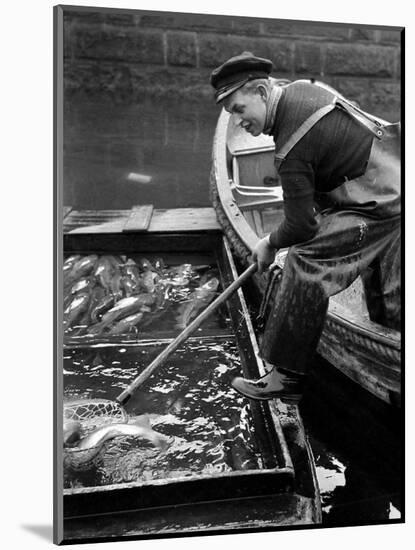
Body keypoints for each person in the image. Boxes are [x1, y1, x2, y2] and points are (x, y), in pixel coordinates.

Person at [210, 52, 401, 402]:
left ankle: (286, 376)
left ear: (264, 92)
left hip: (378, 204)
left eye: (239, 109)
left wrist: (268, 242)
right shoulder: (301, 91)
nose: (239, 122)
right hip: (397, 184)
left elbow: (300, 226)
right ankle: (392, 344)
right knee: (385, 285)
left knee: (305, 260)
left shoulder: (290, 150)